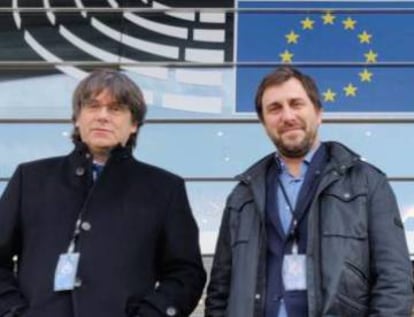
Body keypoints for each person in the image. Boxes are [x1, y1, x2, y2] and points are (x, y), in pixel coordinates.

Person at [205, 66, 413, 317]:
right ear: (263, 123)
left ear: (319, 113)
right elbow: (219, 292)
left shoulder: (368, 183)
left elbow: (395, 280)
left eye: (296, 104)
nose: (287, 115)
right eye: (275, 108)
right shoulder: (242, 195)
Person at [0, 69, 206, 317]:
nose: (102, 116)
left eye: (116, 109)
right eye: (93, 106)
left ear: (134, 125)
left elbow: (186, 273)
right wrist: (14, 312)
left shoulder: (165, 189)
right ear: (77, 118)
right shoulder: (30, 179)